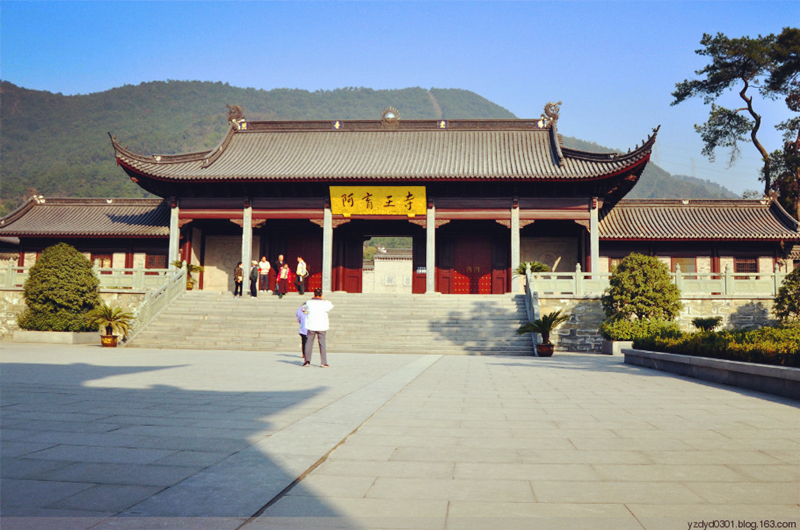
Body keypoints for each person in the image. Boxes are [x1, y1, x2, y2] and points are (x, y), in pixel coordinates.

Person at [302, 288, 334, 367]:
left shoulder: (309, 302)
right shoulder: (325, 303)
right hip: (322, 326)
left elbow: (304, 308)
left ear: (314, 294)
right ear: (321, 294)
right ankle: (324, 362)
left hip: (311, 325)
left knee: (309, 343)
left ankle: (307, 361)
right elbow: (331, 306)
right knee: (322, 344)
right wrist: (323, 299)